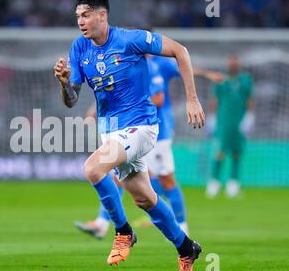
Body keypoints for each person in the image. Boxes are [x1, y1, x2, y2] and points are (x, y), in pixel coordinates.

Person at [54, 0, 205, 271]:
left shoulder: (130, 39)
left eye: (86, 15)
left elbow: (180, 51)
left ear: (102, 15)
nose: (81, 22)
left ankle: (123, 232)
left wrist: (192, 98)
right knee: (145, 199)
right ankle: (187, 248)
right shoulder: (79, 48)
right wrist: (63, 83)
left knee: (93, 168)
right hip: (110, 132)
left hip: (142, 127)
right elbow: (71, 99)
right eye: (77, 17)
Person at [75, 48, 224, 238]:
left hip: (155, 132)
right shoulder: (127, 67)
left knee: (166, 180)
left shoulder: (153, 66)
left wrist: (206, 74)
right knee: (119, 177)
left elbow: (161, 96)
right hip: (132, 132)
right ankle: (102, 223)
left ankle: (181, 228)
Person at [206, 54, 254, 198]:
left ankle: (233, 185)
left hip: (239, 121)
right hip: (223, 121)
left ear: (239, 63)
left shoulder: (245, 80)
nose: (233, 64)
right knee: (220, 151)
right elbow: (214, 99)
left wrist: (250, 117)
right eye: (231, 61)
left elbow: (249, 99)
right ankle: (213, 184)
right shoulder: (220, 79)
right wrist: (212, 117)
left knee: (237, 152)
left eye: (235, 61)